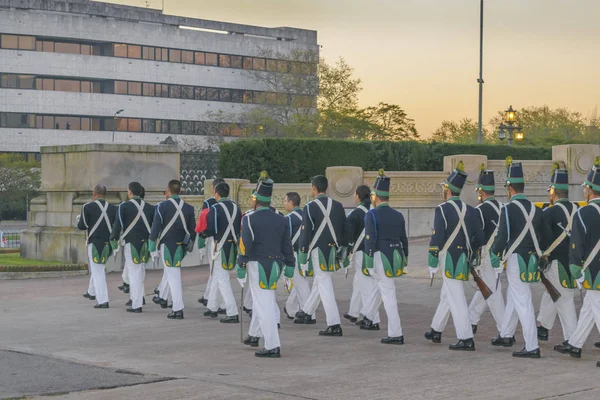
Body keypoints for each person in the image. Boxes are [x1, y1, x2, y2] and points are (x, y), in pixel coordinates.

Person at [490, 157, 550, 358]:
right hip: (532, 259)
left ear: (509, 188)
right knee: (514, 297)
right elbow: (545, 237)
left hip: (516, 259)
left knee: (523, 301)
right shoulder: (536, 209)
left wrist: (494, 255)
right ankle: (506, 333)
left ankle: (532, 346)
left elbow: (502, 237)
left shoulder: (508, 209)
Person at [426, 161, 483, 351]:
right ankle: (436, 328)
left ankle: (466, 338)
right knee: (447, 294)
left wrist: (432, 260)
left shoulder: (442, 209)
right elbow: (479, 238)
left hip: (448, 258)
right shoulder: (472, 211)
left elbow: (438, 237)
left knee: (457, 298)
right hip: (463, 258)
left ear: (448, 190)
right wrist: (471, 255)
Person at [237, 174, 294, 358]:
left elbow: (245, 244)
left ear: (256, 199)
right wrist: (290, 265)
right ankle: (254, 335)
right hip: (276, 264)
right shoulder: (281, 218)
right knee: (264, 299)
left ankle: (272, 345)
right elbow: (287, 245)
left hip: (257, 264)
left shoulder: (249, 218)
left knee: (263, 305)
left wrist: (241, 263)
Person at [554, 157, 600, 368]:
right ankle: (575, 343)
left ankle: (575, 343)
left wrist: (575, 268)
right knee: (589, 308)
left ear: (590, 190)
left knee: (597, 308)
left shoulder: (583, 213)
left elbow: (577, 245)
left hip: (593, 270)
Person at [294, 175, 347, 337]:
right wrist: (343, 253)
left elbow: (305, 233)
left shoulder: (310, 207)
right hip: (332, 250)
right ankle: (306, 311)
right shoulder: (338, 206)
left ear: (314, 188)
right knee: (320, 281)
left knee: (324, 285)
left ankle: (334, 323)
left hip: (318, 250)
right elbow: (344, 231)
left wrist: (302, 256)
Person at [361, 171, 408, 344]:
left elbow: (370, 240)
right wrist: (405, 259)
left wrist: (369, 261)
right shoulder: (398, 215)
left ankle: (396, 333)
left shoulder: (371, 215)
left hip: (380, 256)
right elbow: (404, 240)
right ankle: (367, 314)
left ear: (375, 196)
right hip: (395, 255)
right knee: (382, 288)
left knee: (388, 295)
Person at [536, 165, 579, 345]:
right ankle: (544, 327)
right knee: (552, 292)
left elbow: (543, 239)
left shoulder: (549, 212)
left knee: (564, 299)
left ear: (553, 192)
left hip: (556, 262)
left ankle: (572, 339)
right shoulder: (578, 209)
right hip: (575, 261)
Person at [148, 180, 196, 319]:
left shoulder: (162, 207)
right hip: (181, 246)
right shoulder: (188, 208)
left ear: (168, 190)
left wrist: (152, 246)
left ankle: (177, 309)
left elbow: (156, 228)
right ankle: (163, 296)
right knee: (171, 274)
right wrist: (187, 246)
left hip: (167, 246)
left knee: (174, 277)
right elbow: (192, 232)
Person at [468, 167, 506, 336]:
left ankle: (505, 331)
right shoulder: (503, 207)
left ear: (481, 191)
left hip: (487, 256)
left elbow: (476, 237)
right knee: (486, 288)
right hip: (501, 254)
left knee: (493, 293)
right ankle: (471, 319)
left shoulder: (480, 210)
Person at [109, 182, 154, 313]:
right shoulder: (151, 208)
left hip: (131, 243)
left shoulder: (124, 207)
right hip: (145, 244)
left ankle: (136, 304)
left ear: (130, 192)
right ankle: (138, 298)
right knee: (139, 271)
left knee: (134, 273)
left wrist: (113, 239)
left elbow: (118, 226)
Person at [202, 181, 242, 323]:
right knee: (217, 275)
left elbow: (212, 229)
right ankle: (212, 306)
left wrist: (203, 233)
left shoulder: (215, 208)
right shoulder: (236, 208)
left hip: (219, 245)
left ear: (216, 193)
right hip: (232, 245)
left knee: (221, 277)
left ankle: (232, 311)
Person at [343, 185, 380, 328]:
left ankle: (373, 319)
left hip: (360, 252)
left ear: (358, 196)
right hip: (374, 251)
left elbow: (349, 237)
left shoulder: (355, 214)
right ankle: (354, 311)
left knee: (366, 285)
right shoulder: (375, 211)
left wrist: (345, 253)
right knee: (358, 282)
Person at [77, 184, 117, 309]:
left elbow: (82, 226)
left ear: (94, 194)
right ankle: (92, 291)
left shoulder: (87, 207)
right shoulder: (113, 208)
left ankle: (103, 300)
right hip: (108, 244)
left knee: (98, 271)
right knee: (98, 268)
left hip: (95, 244)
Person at [196, 178, 226, 308]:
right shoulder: (230, 204)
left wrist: (201, 244)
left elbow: (203, 225)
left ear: (214, 189)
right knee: (215, 271)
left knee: (214, 271)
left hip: (212, 239)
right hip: (226, 240)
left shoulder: (209, 203)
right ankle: (209, 298)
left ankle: (217, 302)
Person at [283, 192, 312, 321]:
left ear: (290, 202)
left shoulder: (289, 218)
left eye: (285, 201)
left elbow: (285, 239)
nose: (284, 204)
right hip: (305, 253)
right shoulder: (306, 216)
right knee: (300, 281)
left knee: (301, 283)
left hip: (294, 253)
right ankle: (291, 309)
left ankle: (309, 312)